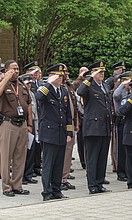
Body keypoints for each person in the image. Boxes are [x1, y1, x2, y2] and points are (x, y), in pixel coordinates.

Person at [35, 63, 73, 201]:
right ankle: (47, 192)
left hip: (61, 133)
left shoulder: (63, 91)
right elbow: (38, 98)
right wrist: (48, 83)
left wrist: (69, 133)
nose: (61, 78)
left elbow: (68, 113)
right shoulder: (44, 89)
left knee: (58, 164)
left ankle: (57, 190)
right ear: (51, 76)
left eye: (62, 76)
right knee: (48, 164)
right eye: (58, 76)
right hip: (49, 133)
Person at [77, 60, 112, 194]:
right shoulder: (88, 85)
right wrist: (90, 77)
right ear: (93, 73)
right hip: (93, 127)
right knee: (92, 158)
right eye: (99, 72)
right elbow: (80, 92)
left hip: (105, 126)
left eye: (103, 71)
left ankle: (99, 182)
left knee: (102, 157)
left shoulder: (105, 86)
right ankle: (92, 185)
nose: (102, 74)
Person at [0, 60, 32, 197]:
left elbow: (29, 105)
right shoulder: (4, 83)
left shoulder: (21, 85)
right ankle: (6, 186)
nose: (16, 71)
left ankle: (17, 185)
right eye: (13, 69)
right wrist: (6, 77)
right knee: (6, 156)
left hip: (22, 124)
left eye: (17, 69)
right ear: (6, 70)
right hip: (8, 124)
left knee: (20, 156)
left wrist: (30, 124)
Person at [113, 71, 132, 181]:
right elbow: (115, 95)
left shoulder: (131, 92)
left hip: (130, 122)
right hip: (121, 121)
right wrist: (122, 84)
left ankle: (128, 170)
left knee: (129, 149)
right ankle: (121, 172)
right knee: (121, 149)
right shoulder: (119, 92)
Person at [61, 64, 78, 190]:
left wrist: (76, 123)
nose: (65, 74)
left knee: (68, 152)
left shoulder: (69, 86)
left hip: (70, 123)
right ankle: (58, 179)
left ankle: (65, 178)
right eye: (63, 72)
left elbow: (74, 106)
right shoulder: (55, 88)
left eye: (66, 71)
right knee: (61, 153)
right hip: (59, 124)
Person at [22, 77, 39, 185]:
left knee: (32, 150)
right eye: (27, 83)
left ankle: (28, 174)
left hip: (32, 122)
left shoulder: (31, 94)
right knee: (23, 152)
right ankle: (22, 176)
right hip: (24, 123)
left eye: (30, 84)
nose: (29, 85)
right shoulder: (21, 94)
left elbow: (35, 110)